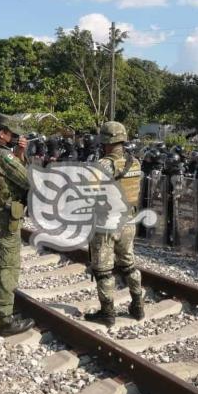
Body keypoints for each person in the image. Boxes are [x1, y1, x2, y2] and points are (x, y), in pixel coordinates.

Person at [0, 114, 35, 337]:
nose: (15, 137)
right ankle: (6, 320)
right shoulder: (3, 156)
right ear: (2, 133)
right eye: (12, 133)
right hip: (7, 217)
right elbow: (27, 180)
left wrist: (19, 153)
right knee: (8, 268)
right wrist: (22, 157)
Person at [84, 121, 144, 327]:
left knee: (103, 270)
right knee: (129, 265)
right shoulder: (135, 162)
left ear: (105, 141)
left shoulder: (102, 165)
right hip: (129, 221)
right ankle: (137, 306)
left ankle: (107, 313)